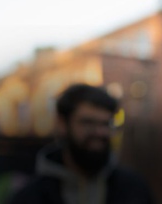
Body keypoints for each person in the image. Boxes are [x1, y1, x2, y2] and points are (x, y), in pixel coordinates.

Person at [10, 84, 152, 204]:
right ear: (62, 124)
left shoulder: (134, 189)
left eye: (106, 124)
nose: (100, 133)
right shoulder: (29, 197)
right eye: (88, 123)